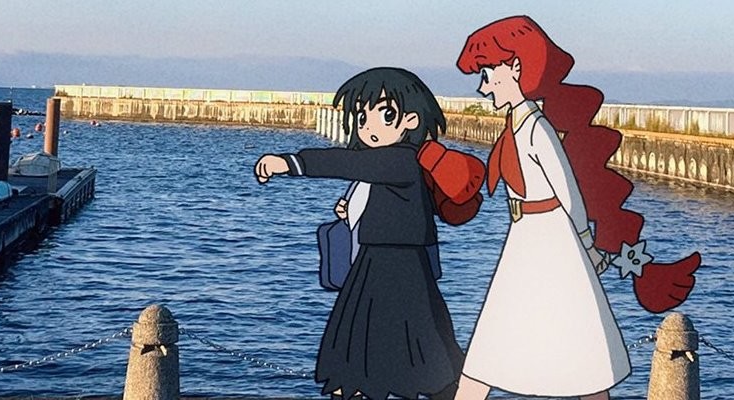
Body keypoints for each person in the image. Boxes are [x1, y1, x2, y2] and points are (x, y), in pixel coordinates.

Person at [452, 16, 703, 400]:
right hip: (527, 236)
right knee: (514, 339)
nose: (483, 87)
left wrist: (586, 245)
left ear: (515, 67)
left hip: (550, 236)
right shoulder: (518, 126)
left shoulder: (536, 128)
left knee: (558, 344)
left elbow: (568, 192)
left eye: (487, 74)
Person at [253, 67, 464, 400]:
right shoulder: (396, 162)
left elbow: (346, 163)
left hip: (394, 262)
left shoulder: (402, 160)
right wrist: (352, 211)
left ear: (410, 120)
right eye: (362, 117)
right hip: (387, 257)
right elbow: (373, 186)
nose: (368, 126)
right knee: (418, 344)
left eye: (384, 115)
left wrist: (291, 163)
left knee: (376, 345)